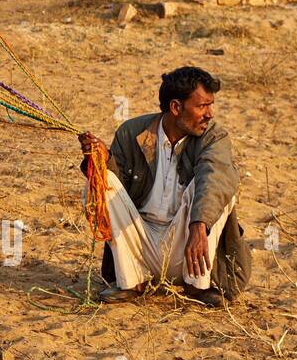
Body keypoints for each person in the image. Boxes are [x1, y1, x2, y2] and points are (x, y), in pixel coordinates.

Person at [79, 66, 252, 307]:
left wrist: (199, 225)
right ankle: (131, 281)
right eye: (202, 106)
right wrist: (98, 160)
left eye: (210, 105)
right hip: (141, 242)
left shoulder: (214, 137)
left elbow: (216, 178)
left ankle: (197, 284)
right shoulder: (132, 132)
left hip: (188, 243)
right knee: (100, 182)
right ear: (175, 107)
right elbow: (119, 191)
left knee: (215, 188)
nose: (209, 114)